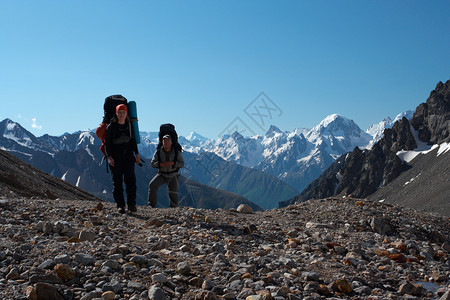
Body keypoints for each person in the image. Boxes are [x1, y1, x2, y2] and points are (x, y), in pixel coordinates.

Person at [105, 104, 141, 213]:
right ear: (116, 114)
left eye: (123, 112)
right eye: (119, 112)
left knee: (130, 181)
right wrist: (109, 157)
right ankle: (120, 205)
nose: (121, 114)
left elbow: (133, 141)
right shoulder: (111, 127)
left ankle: (131, 205)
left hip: (129, 157)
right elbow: (107, 143)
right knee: (117, 182)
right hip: (116, 158)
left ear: (126, 114)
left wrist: (137, 154)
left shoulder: (129, 126)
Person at [148, 134, 184, 207]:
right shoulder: (158, 152)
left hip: (173, 175)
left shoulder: (176, 152)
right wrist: (160, 164)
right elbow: (152, 164)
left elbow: (182, 164)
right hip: (162, 174)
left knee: (173, 193)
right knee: (152, 185)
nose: (166, 143)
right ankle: (151, 205)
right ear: (162, 142)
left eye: (168, 141)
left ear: (171, 142)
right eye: (164, 141)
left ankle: (173, 208)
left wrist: (173, 163)